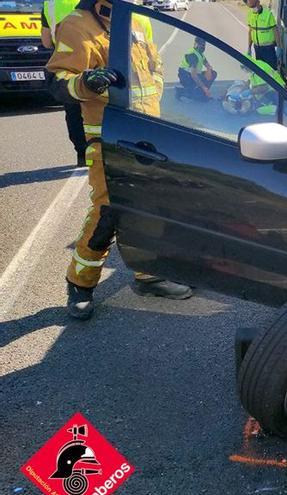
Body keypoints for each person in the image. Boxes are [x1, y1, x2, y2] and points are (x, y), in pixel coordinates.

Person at [46, 0, 192, 320]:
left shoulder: (132, 20)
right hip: (109, 137)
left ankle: (148, 273)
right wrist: (87, 82)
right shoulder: (77, 24)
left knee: (149, 205)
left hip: (147, 134)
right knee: (108, 211)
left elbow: (154, 67)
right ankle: (80, 284)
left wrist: (157, 114)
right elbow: (57, 82)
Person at [41, 0, 87, 167]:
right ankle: (100, 153)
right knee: (96, 107)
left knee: (73, 110)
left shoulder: (50, 3)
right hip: (92, 55)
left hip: (65, 61)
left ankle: (82, 154)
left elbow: (46, 41)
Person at [177, 37, 216, 101]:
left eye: (204, 45)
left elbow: (208, 65)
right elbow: (194, 75)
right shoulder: (192, 55)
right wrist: (204, 88)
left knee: (213, 73)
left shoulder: (200, 54)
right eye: (201, 44)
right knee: (196, 97)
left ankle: (201, 93)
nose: (203, 46)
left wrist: (209, 70)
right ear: (196, 44)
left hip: (194, 75)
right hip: (186, 77)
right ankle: (181, 92)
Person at [246, 0, 277, 69]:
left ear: (257, 1)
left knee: (271, 71)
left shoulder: (268, 14)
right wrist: (249, 48)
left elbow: (275, 31)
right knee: (261, 72)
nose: (248, 1)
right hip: (257, 48)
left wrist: (279, 47)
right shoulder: (250, 14)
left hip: (268, 49)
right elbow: (250, 32)